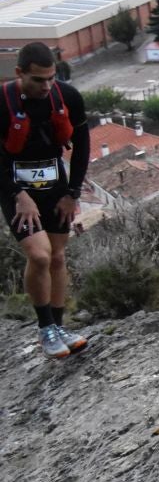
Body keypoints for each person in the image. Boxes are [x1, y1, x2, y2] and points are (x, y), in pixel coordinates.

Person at [4, 42, 91, 358]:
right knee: (39, 256)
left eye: (51, 78)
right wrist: (17, 195)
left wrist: (73, 194)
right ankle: (44, 329)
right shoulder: (3, 101)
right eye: (38, 80)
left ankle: (58, 325)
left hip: (55, 185)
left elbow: (82, 146)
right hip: (15, 187)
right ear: (20, 73)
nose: (46, 86)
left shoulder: (67, 97)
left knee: (57, 257)